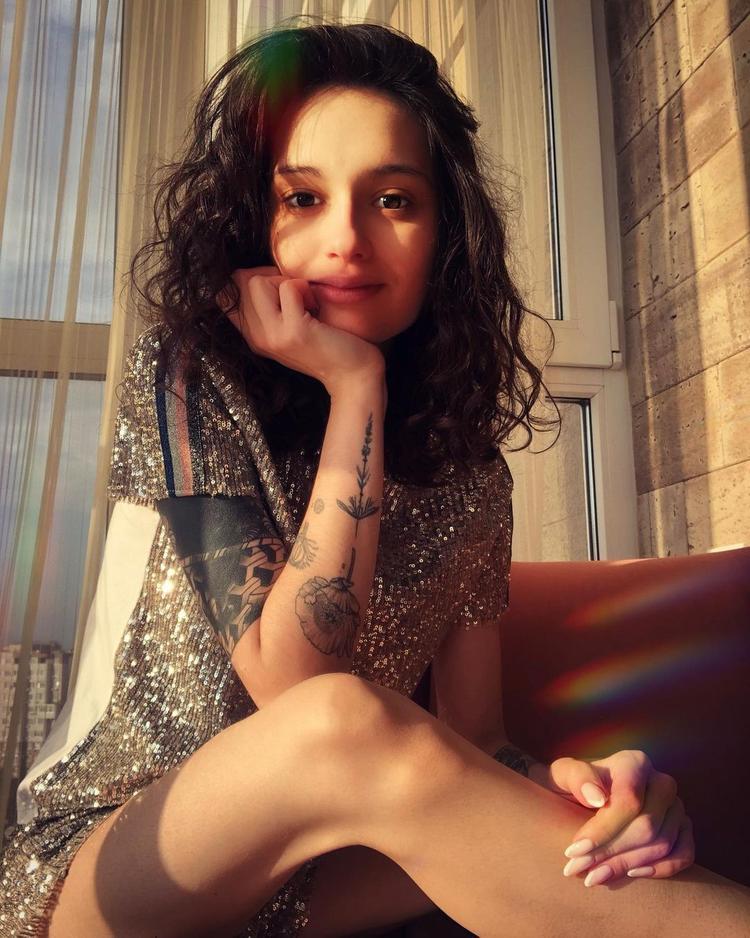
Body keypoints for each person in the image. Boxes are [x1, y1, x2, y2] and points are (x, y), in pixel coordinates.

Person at [1, 16, 749, 938]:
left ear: (445, 233)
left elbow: (477, 741)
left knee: (586, 841)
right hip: (116, 866)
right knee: (340, 717)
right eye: (303, 198)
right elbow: (299, 691)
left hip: (323, 878)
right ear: (256, 220)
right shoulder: (191, 375)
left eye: (393, 200)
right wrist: (357, 387)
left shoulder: (471, 475)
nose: (346, 239)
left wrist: (587, 791)